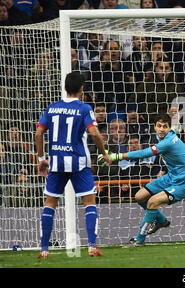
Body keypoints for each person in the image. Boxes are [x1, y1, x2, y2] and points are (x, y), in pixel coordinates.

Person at [35, 71, 111, 258]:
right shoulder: (84, 108)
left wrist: (41, 158)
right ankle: (92, 246)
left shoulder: (52, 108)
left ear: (64, 88)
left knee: (50, 204)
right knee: (89, 202)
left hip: (56, 163)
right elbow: (94, 133)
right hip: (79, 164)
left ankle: (44, 250)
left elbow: (38, 134)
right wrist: (104, 153)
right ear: (81, 89)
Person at [98, 113, 185, 246]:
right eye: (159, 126)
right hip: (171, 176)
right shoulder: (162, 137)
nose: (162, 129)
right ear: (154, 127)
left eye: (165, 127)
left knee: (152, 202)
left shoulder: (169, 141)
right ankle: (161, 221)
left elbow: (144, 153)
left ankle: (139, 239)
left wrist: (116, 156)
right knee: (140, 196)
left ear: (169, 128)